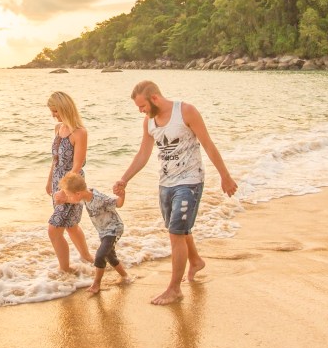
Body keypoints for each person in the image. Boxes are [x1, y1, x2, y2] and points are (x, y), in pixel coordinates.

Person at [113, 80, 238, 305]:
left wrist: (225, 176)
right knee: (177, 229)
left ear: (155, 99)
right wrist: (125, 179)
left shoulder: (186, 111)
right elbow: (143, 154)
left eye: (142, 106)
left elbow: (208, 144)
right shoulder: (148, 122)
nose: (140, 111)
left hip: (190, 181)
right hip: (165, 183)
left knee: (176, 233)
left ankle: (174, 289)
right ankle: (196, 260)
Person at [55, 171, 130, 294]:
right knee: (110, 256)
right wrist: (64, 200)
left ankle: (96, 284)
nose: (69, 197)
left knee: (100, 256)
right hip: (103, 231)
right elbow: (75, 200)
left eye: (69, 195)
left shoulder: (99, 199)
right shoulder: (84, 196)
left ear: (78, 193)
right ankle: (125, 276)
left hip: (113, 229)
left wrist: (122, 195)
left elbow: (118, 203)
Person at [46, 91, 94, 272]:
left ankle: (65, 270)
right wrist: (49, 181)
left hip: (72, 186)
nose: (53, 115)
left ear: (65, 108)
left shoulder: (79, 132)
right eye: (51, 111)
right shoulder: (58, 129)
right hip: (57, 183)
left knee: (54, 230)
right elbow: (55, 159)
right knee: (71, 225)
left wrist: (64, 191)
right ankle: (88, 257)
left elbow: (77, 166)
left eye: (55, 111)